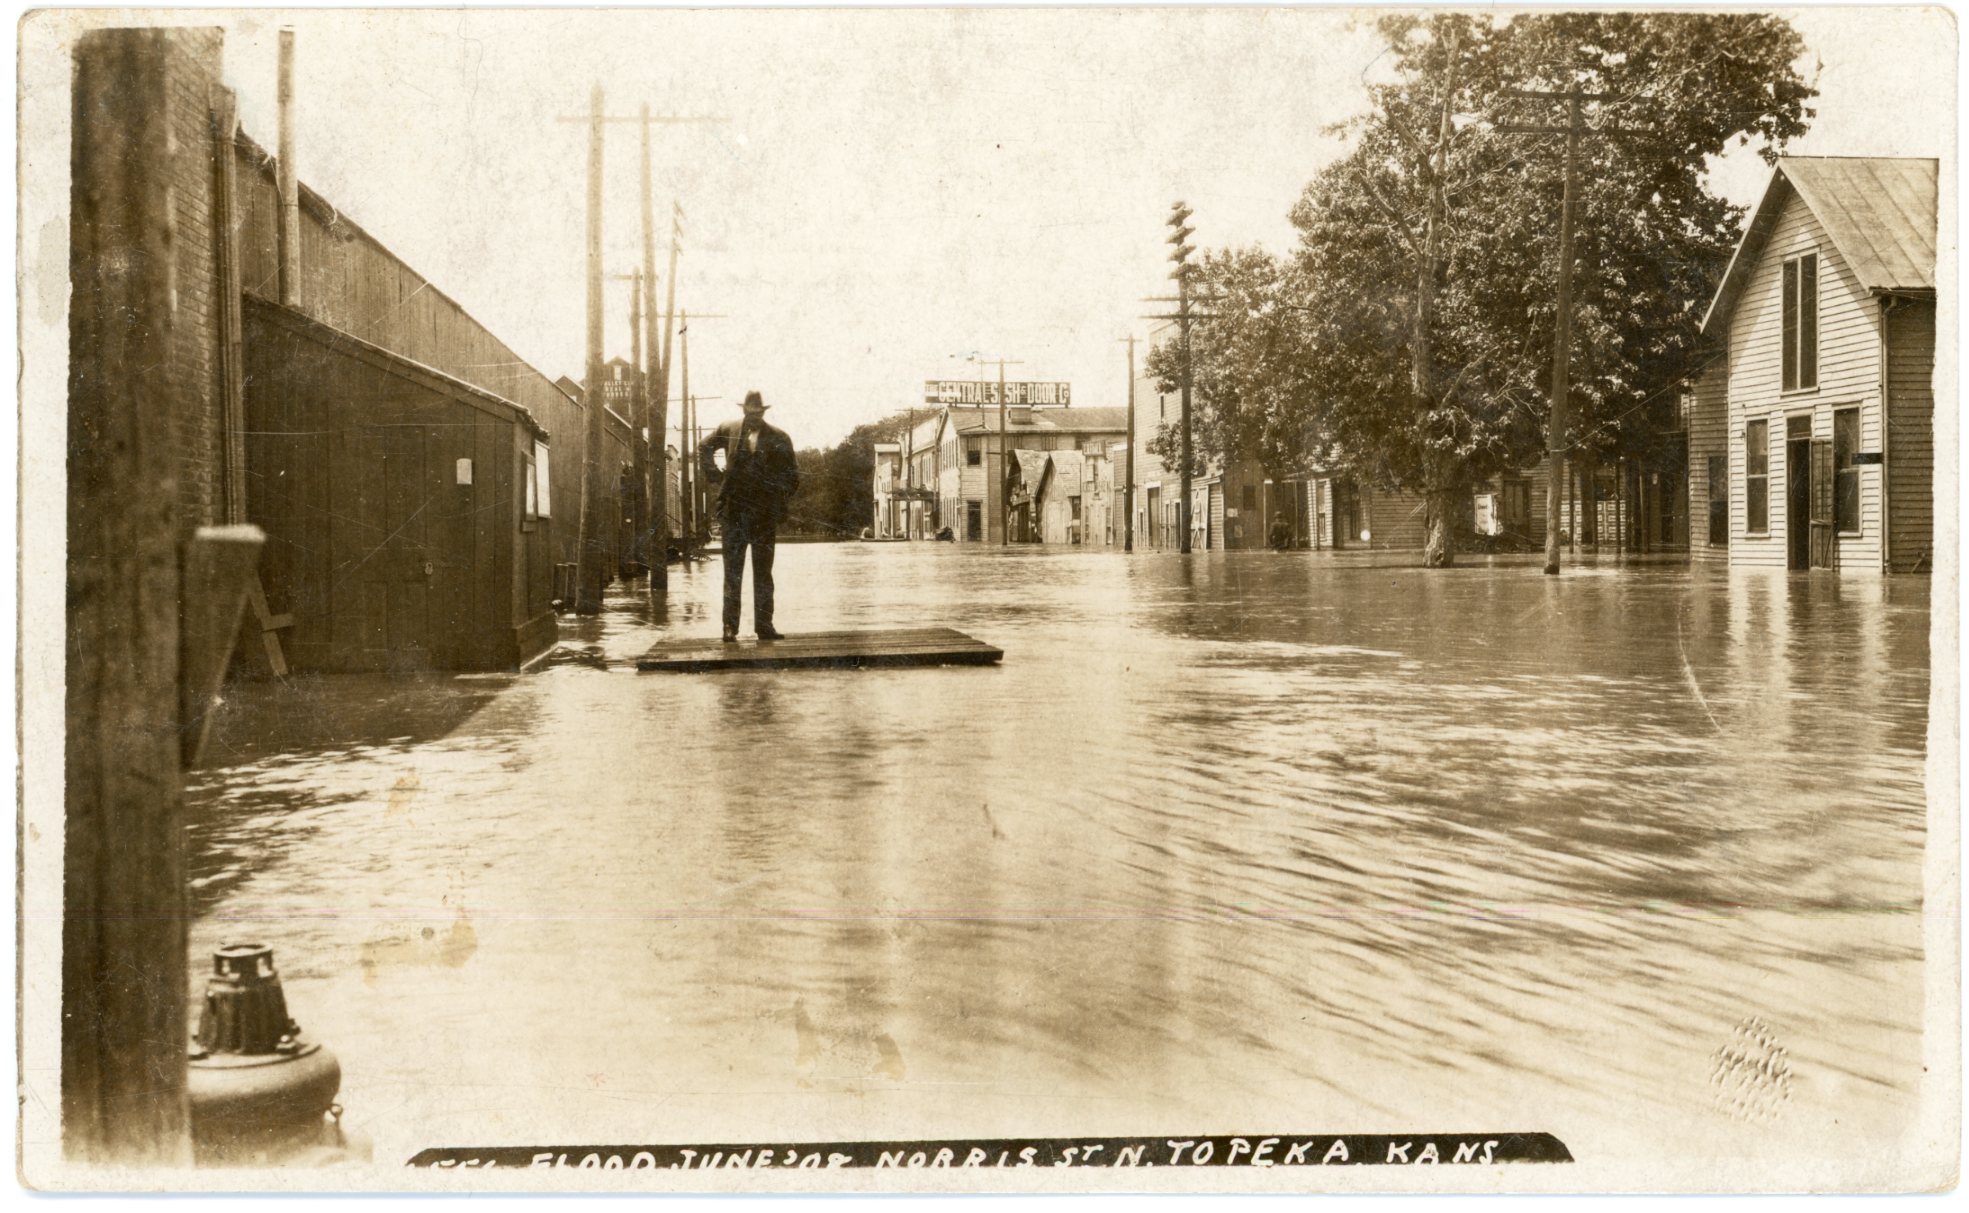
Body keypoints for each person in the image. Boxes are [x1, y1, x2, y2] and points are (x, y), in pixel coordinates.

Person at [699, 391, 799, 642]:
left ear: (763, 412)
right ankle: (729, 627)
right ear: (743, 410)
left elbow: (792, 475)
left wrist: (777, 497)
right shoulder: (729, 429)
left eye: (758, 413)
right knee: (732, 573)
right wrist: (715, 474)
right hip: (733, 513)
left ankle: (764, 626)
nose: (753, 417)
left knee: (763, 573)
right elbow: (704, 446)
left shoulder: (779, 437)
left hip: (764, 515)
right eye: (749, 412)